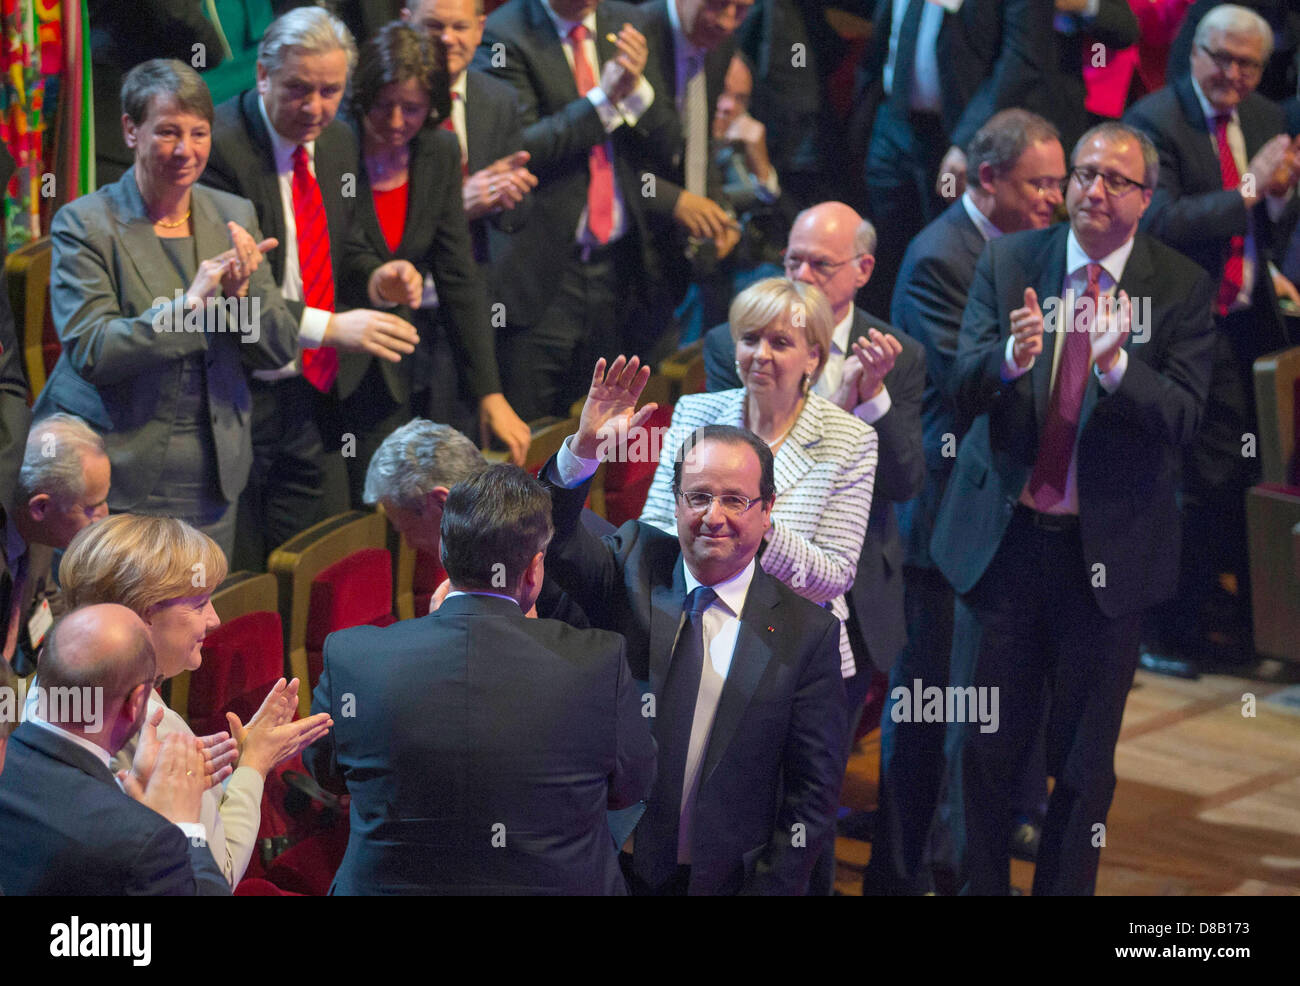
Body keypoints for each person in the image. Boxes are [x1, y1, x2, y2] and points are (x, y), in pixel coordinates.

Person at [931, 122, 1216, 895]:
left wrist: (1120, 362)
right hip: (1005, 547)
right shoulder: (1010, 258)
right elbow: (958, 390)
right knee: (978, 748)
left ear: (1147, 199)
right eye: (1082, 174)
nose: (1091, 189)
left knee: (1084, 768)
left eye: (1113, 180)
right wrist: (1008, 360)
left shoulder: (1180, 286)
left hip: (1107, 560)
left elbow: (1188, 419)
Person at [542, 360, 848, 895]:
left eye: (734, 500)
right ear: (677, 501)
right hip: (610, 869)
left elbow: (811, 796)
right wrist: (584, 450)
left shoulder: (807, 633)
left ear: (767, 509)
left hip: (724, 881)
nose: (713, 516)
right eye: (698, 496)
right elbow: (556, 539)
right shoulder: (634, 560)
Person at [198, 7, 488, 570]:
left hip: (314, 395)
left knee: (313, 564)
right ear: (261, 73)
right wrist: (332, 327)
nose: (315, 108)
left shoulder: (333, 144)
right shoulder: (223, 150)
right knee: (240, 575)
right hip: (236, 387)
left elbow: (343, 242)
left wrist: (377, 276)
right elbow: (235, 296)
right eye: (298, 89)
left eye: (330, 91)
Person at [867, 108, 1067, 896]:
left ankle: (957, 863)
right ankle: (899, 875)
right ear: (989, 179)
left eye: (1059, 182)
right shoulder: (940, 256)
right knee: (923, 713)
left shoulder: (1029, 249)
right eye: (1039, 183)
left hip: (1001, 519)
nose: (1055, 198)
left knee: (983, 707)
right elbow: (961, 382)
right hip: (943, 523)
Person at [306, 464, 655, 894]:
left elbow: (327, 773)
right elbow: (630, 787)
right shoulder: (597, 661)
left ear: (445, 553)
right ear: (533, 570)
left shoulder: (352, 658)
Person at [31, 58, 313, 559]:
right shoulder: (86, 224)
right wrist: (187, 305)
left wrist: (240, 296)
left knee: (194, 625)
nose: (186, 150)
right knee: (119, 629)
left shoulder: (233, 213)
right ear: (130, 130)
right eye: (167, 132)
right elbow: (92, 350)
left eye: (198, 133)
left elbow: (277, 350)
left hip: (212, 476)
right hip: (114, 472)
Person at [1125, 3, 1300, 677]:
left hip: (1252, 318)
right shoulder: (1154, 122)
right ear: (1192, 51)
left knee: (1249, 475)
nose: (1229, 72)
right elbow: (1162, 222)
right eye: (1218, 56)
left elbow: (1269, 218)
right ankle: (1169, 627)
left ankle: (1237, 618)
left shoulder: (1267, 119)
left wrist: (1277, 203)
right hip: (1186, 328)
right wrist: (1255, 188)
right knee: (1199, 479)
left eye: (1246, 63)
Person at [702, 205, 924, 710]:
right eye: (792, 261)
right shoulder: (729, 344)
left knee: (816, 768)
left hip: (850, 587)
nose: (802, 276)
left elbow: (905, 481)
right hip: (735, 582)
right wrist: (837, 410)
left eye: (819, 265)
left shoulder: (899, 353)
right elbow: (737, 465)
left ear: (863, 269)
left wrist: (870, 402)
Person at [55, 514, 334, 888]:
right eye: (200, 603)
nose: (215, 619)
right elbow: (216, 877)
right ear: (143, 614)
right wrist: (254, 764)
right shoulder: (154, 729)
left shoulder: (54, 684)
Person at [471, 0, 694, 420]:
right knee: (534, 436)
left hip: (620, 269)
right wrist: (604, 99)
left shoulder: (625, 23)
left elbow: (668, 144)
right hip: (542, 276)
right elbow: (518, 146)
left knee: (607, 434)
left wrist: (639, 90)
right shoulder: (504, 33)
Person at [340, 21, 528, 498]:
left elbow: (458, 274)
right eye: (385, 106)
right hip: (336, 359)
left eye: (414, 108)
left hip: (402, 359)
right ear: (363, 96)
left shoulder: (438, 150)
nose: (399, 122)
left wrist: (490, 392)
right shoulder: (334, 145)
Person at [0, 605, 230, 895]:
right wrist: (186, 829)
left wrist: (126, 805)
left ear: (44, 662)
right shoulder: (149, 845)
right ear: (137, 703)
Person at [856, 0, 1049, 318]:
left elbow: (1023, 59)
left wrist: (967, 141)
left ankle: (937, 356)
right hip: (891, 124)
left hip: (955, 137)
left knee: (946, 254)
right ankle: (887, 358)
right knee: (882, 257)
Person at [404, 0, 540, 431]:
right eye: (433, 26)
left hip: (465, 315)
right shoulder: (386, 104)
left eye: (459, 27)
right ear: (406, 24)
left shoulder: (496, 98)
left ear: (481, 29)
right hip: (396, 313)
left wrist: (509, 194)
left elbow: (517, 218)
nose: (447, 39)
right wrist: (458, 202)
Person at [3, 415, 111, 675]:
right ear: (40, 507)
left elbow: (46, 601)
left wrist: (73, 659)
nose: (104, 516)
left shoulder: (39, 532)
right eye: (90, 507)